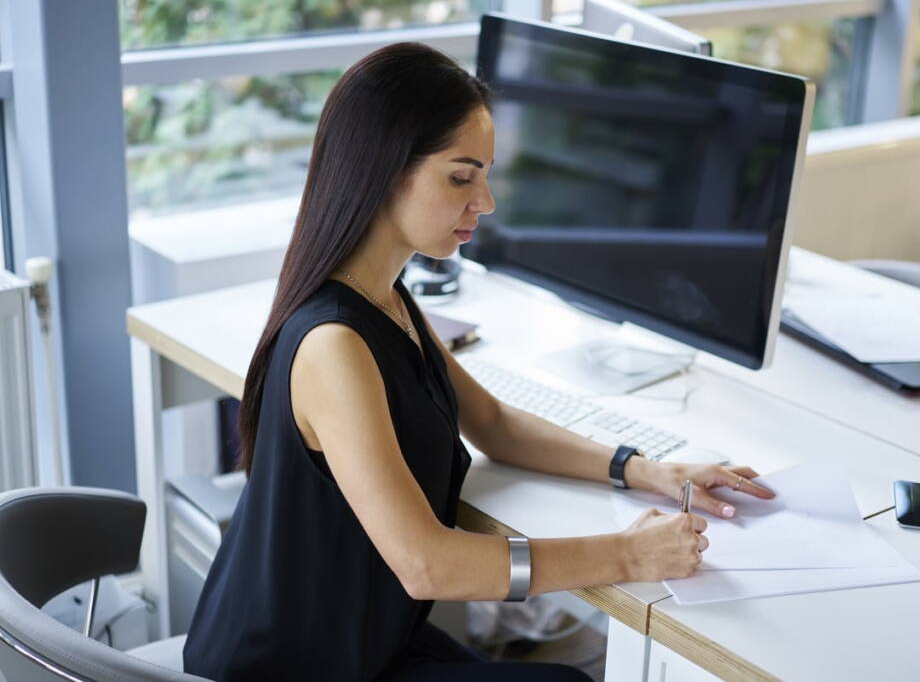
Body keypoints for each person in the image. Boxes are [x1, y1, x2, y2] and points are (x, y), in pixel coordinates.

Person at [183, 42, 774, 682]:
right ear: (381, 171)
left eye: (485, 175)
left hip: (361, 641)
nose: (485, 202)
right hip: (292, 668)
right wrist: (627, 556)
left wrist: (648, 470)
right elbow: (427, 565)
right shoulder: (334, 344)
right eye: (461, 177)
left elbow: (490, 421)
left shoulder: (382, 295)